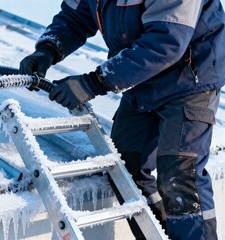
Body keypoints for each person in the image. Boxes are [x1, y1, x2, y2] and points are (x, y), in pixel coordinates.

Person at [19, 0, 225, 239]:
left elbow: (167, 40)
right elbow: (76, 16)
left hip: (189, 78)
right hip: (141, 80)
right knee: (125, 169)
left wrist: (93, 82)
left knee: (180, 174)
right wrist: (48, 50)